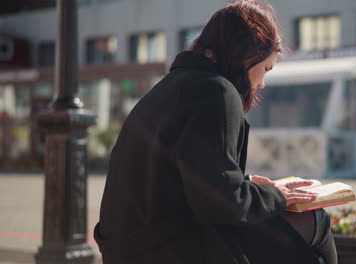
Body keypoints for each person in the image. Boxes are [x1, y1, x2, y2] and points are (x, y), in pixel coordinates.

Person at [94, 0, 337, 263]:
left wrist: (249, 185)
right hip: (172, 249)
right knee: (316, 219)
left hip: (130, 247)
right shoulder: (217, 91)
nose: (263, 83)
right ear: (248, 52)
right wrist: (280, 195)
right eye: (266, 68)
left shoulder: (171, 87)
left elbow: (188, 179)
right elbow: (222, 204)